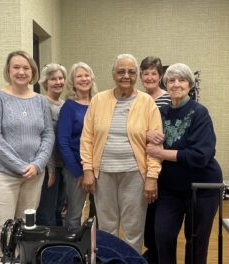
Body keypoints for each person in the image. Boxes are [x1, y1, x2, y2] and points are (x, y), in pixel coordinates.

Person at [80, 54, 162, 253]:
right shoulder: (98, 100)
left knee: (133, 228)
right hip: (103, 174)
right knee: (107, 227)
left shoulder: (147, 103)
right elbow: (87, 138)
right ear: (113, 74)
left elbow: (155, 145)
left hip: (135, 174)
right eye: (121, 71)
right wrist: (88, 169)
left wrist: (152, 176)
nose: (126, 75)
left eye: (131, 72)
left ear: (137, 75)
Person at [145, 63, 222, 264]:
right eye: (171, 80)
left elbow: (200, 155)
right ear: (166, 84)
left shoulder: (199, 112)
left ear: (190, 85)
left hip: (202, 187)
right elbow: (141, 135)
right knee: (162, 235)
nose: (176, 84)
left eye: (182, 80)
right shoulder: (160, 112)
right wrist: (146, 134)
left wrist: (161, 152)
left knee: (196, 241)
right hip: (170, 188)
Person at [0, 51, 55, 261]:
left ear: (32, 72)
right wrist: (20, 165)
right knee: (2, 227)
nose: (21, 72)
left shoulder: (40, 100)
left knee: (24, 227)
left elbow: (48, 134)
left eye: (26, 68)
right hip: (4, 174)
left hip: (34, 175)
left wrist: (38, 164)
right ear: (8, 70)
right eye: (16, 67)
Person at [57, 62, 98, 232]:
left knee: (99, 215)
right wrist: (79, 172)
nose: (83, 79)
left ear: (92, 78)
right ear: (72, 82)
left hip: (99, 168)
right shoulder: (69, 107)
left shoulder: (99, 103)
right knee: (74, 215)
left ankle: (96, 251)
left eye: (86, 75)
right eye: (79, 76)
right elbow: (63, 142)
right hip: (76, 170)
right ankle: (72, 253)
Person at [139, 56, 169, 264]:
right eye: (146, 73)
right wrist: (145, 132)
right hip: (143, 160)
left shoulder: (168, 98)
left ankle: (160, 253)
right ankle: (150, 250)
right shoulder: (138, 99)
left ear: (160, 77)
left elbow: (173, 128)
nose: (149, 77)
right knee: (147, 209)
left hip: (165, 162)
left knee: (160, 211)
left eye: (153, 74)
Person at [36, 63, 67, 226]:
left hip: (64, 166)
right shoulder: (40, 102)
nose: (58, 82)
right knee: (46, 211)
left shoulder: (65, 104)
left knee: (59, 209)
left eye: (61, 78)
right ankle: (46, 248)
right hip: (48, 167)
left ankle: (59, 245)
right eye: (53, 79)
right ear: (45, 82)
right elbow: (43, 138)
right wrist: (51, 169)